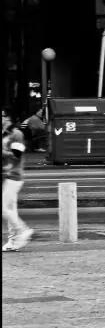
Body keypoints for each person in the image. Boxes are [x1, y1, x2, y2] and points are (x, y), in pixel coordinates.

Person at [3, 106, 33, 251]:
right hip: (5, 175)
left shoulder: (16, 134)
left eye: (2, 116)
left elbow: (17, 155)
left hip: (13, 175)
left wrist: (3, 152)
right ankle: (13, 241)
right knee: (10, 209)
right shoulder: (5, 134)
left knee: (4, 208)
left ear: (8, 118)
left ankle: (23, 230)